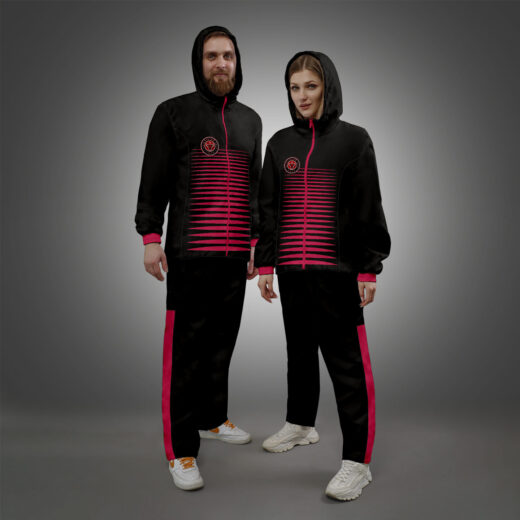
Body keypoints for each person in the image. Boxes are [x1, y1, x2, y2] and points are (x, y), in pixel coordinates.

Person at [255, 51, 391, 501]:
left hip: (339, 273)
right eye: (294, 87)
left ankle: (357, 463)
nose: (302, 96)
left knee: (347, 367)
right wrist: (267, 264)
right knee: (299, 353)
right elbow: (268, 208)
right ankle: (300, 424)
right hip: (292, 272)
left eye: (310, 86)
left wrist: (369, 266)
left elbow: (369, 206)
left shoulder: (354, 140)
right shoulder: (279, 144)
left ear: (327, 88)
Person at [134, 26, 262, 491]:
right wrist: (150, 236)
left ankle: (212, 418)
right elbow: (153, 179)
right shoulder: (173, 113)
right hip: (189, 256)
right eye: (212, 56)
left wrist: (255, 243)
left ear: (237, 62)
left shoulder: (251, 120)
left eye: (228, 55)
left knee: (221, 344)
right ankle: (181, 450)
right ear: (198, 62)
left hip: (235, 257)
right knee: (186, 354)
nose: (221, 63)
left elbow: (254, 189)